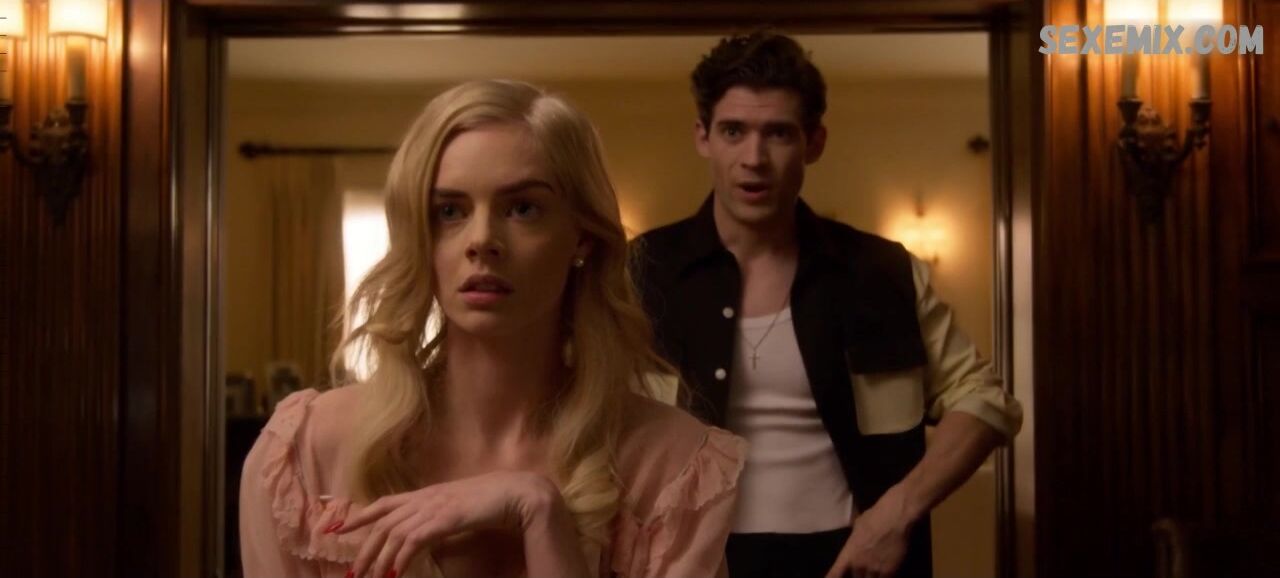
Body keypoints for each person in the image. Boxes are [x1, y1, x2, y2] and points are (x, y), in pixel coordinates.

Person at [239, 79, 746, 578]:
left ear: (582, 238)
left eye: (522, 208)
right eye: (449, 211)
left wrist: (538, 508)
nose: (482, 240)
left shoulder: (671, 466)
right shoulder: (307, 451)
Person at [630, 32, 1024, 578]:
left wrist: (897, 511)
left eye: (778, 134)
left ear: (814, 142)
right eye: (733, 131)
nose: (754, 159)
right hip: (688, 563)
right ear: (704, 137)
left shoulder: (882, 272)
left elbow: (983, 398)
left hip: (851, 558)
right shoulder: (641, 272)